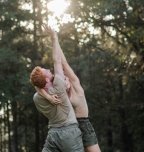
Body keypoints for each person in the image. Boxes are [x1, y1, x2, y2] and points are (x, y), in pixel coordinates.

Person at [36, 25, 101, 152]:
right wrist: (48, 97)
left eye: (66, 79)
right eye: (62, 79)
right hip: (69, 129)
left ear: (70, 80)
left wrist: (55, 39)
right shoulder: (59, 92)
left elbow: (63, 63)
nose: (64, 81)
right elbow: (38, 86)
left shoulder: (76, 86)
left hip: (83, 125)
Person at [30, 24, 85, 152]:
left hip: (53, 135)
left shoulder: (37, 98)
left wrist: (48, 96)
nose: (49, 70)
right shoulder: (59, 86)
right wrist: (54, 38)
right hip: (69, 133)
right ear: (48, 80)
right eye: (47, 71)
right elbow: (57, 60)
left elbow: (37, 86)